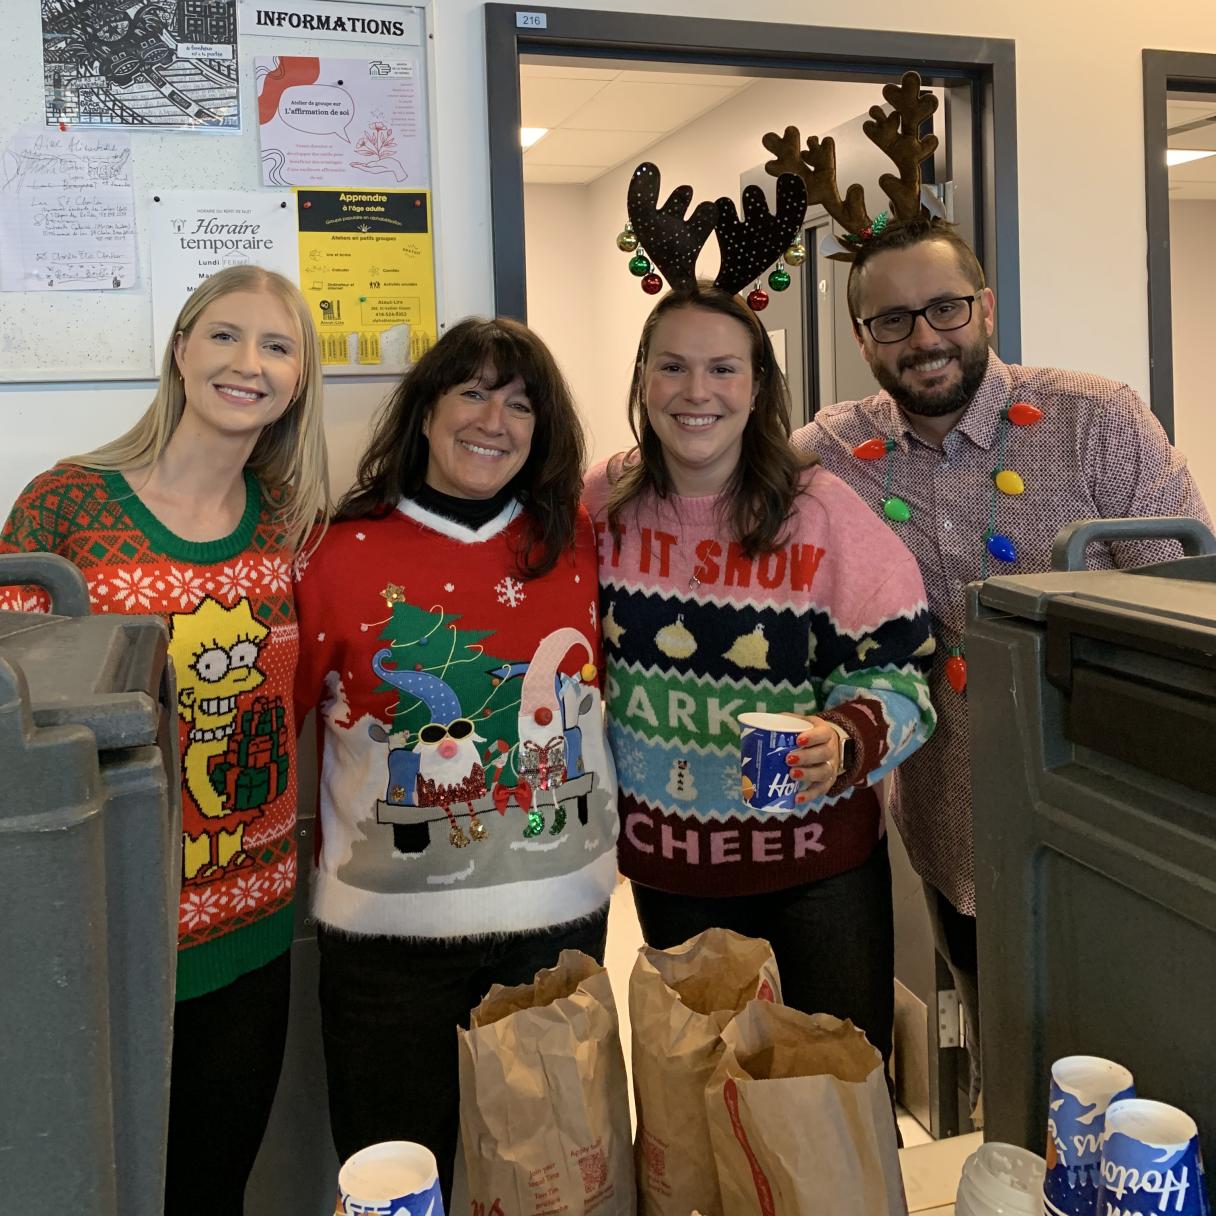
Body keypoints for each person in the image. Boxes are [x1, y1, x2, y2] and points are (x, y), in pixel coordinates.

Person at [791, 217, 1212, 1111]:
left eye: (944, 308)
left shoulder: (1097, 421)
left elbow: (1189, 607)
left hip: (1116, 824)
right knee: (1017, 1076)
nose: (923, 338)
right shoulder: (829, 455)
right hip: (958, 836)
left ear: (985, 306)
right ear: (863, 337)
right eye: (893, 321)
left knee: (1152, 1072)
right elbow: (714, 485)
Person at [0, 264, 329, 1215]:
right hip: (105, 923)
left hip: (254, 925)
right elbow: (14, 726)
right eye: (224, 335)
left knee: (209, 1191)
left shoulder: (290, 529)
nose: (249, 363)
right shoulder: (68, 508)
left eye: (277, 346)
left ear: (299, 379)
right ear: (181, 349)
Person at [293, 316, 618, 1205]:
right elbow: (285, 727)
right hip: (386, 943)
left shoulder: (580, 543)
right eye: (472, 391)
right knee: (395, 1178)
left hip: (557, 931)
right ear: (426, 411)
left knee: (551, 1179)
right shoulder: (334, 552)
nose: (494, 420)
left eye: (521, 404)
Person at [582, 283, 937, 1075]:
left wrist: (846, 740)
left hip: (818, 871)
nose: (696, 392)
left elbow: (905, 672)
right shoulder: (603, 503)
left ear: (757, 386)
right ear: (643, 380)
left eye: (723, 369)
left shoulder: (821, 512)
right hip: (672, 869)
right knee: (706, 1101)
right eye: (672, 366)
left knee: (837, 1103)